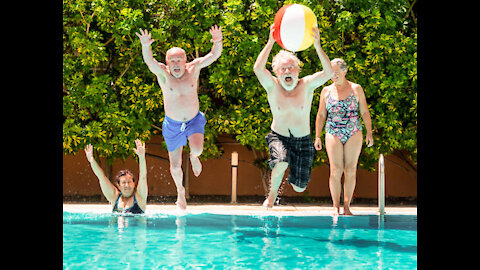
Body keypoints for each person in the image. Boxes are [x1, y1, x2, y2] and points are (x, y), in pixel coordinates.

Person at [135, 25, 222, 210]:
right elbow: (149, 62)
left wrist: (218, 40)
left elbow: (213, 56)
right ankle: (180, 192)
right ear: (167, 63)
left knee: (197, 150)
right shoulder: (163, 74)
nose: (175, 63)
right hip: (172, 124)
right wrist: (145, 45)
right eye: (172, 60)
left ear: (185, 61)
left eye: (179, 59)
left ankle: (194, 157)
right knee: (175, 166)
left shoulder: (194, 69)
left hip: (193, 120)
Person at [253, 24, 333, 208]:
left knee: (299, 187)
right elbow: (258, 69)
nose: (287, 71)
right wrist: (270, 42)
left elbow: (328, 72)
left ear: (298, 70)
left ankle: (293, 176)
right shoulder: (272, 86)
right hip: (278, 135)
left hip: (303, 140)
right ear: (276, 72)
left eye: (291, 67)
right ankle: (272, 197)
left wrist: (317, 46)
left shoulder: (307, 85)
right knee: (280, 161)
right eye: (283, 69)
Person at [314, 58, 374, 216]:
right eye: (331, 72)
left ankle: (346, 205)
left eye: (336, 71)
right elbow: (321, 114)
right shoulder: (326, 91)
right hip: (333, 131)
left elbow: (364, 111)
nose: (333, 75)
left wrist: (369, 132)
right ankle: (335, 205)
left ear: (345, 71)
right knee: (335, 169)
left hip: (353, 130)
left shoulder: (356, 89)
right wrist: (317, 137)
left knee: (350, 169)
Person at [84, 139, 148, 214]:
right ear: (118, 185)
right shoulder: (114, 197)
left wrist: (141, 157)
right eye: (124, 182)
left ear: (134, 184)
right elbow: (101, 177)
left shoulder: (140, 197)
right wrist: (92, 161)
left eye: (129, 182)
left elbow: (143, 176)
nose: (127, 185)